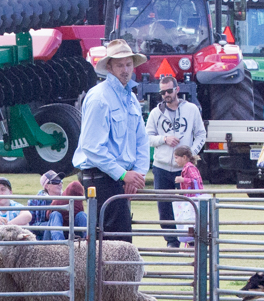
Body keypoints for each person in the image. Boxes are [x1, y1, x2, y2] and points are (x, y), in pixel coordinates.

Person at [73, 39, 149, 243]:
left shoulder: (131, 99)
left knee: (119, 240)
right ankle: (104, 276)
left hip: (118, 178)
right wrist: (124, 174)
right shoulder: (99, 98)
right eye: (119, 65)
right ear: (109, 67)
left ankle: (111, 275)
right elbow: (91, 147)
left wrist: (137, 175)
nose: (125, 70)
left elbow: (142, 140)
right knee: (114, 243)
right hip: (101, 178)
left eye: (128, 64)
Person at [146, 75, 205, 248]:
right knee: (164, 206)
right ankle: (171, 241)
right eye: (162, 92)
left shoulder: (192, 109)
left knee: (189, 204)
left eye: (169, 91)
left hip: (184, 169)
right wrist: (164, 139)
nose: (166, 95)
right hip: (162, 166)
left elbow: (201, 134)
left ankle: (191, 239)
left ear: (177, 90)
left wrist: (190, 155)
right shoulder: (155, 113)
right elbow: (147, 137)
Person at [172, 146, 204, 248]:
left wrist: (182, 180)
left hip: (193, 199)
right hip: (191, 199)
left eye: (176, 157)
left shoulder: (189, 167)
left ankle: (192, 246)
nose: (175, 160)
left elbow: (195, 180)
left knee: (190, 221)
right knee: (190, 222)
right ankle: (191, 245)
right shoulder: (188, 167)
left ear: (184, 157)